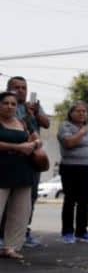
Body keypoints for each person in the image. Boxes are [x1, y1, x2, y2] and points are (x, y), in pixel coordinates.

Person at [6, 76, 50, 247]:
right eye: (16, 87)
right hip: (11, 157)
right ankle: (4, 234)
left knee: (29, 196)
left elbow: (46, 123)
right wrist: (27, 116)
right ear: (9, 89)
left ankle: (24, 230)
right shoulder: (7, 105)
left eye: (24, 87)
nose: (21, 90)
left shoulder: (34, 106)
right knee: (8, 197)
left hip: (32, 158)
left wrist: (35, 112)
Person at [0, 91, 40, 261]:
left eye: (13, 104)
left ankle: (11, 247)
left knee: (21, 212)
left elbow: (35, 138)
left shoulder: (22, 122)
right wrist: (17, 148)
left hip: (23, 171)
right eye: (5, 103)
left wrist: (35, 143)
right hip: (1, 171)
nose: (10, 106)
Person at [57, 100, 88, 243]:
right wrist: (81, 133)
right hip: (71, 167)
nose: (82, 114)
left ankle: (82, 231)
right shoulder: (65, 126)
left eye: (84, 111)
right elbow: (68, 143)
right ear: (71, 113)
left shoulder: (87, 126)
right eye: (78, 111)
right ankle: (67, 232)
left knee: (84, 200)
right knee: (70, 199)